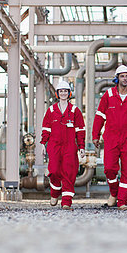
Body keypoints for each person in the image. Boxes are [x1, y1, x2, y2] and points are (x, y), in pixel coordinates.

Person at [92, 65, 127, 210]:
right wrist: (95, 135)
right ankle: (114, 193)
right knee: (109, 168)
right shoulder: (108, 95)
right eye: (122, 76)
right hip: (111, 138)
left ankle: (122, 201)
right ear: (117, 78)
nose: (125, 79)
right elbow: (99, 117)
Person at [40, 80, 86, 210]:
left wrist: (81, 146)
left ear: (69, 93)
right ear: (57, 94)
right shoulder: (51, 110)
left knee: (69, 172)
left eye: (65, 91)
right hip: (54, 145)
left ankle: (66, 201)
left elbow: (80, 130)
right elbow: (46, 128)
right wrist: (43, 143)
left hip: (70, 146)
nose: (63, 93)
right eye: (61, 91)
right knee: (54, 171)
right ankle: (55, 192)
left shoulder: (75, 111)